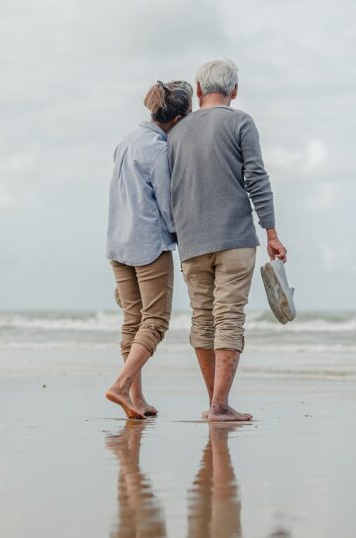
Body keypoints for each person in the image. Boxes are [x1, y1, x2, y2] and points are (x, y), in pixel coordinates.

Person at [169, 58, 287, 422]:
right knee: (229, 318)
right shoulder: (240, 122)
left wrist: (176, 232)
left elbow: (167, 187)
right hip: (235, 237)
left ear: (199, 89)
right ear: (234, 90)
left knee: (203, 319)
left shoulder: (175, 132)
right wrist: (271, 232)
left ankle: (215, 403)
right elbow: (256, 178)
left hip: (191, 241)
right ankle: (219, 405)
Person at [104, 80, 193, 419]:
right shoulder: (158, 149)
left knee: (133, 321)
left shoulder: (127, 141)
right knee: (154, 322)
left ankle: (135, 399)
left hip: (117, 242)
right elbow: (167, 205)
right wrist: (183, 239)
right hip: (147, 243)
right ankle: (121, 385)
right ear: (180, 118)